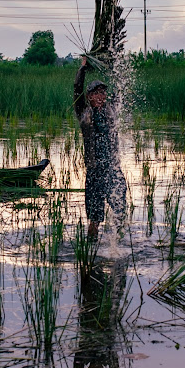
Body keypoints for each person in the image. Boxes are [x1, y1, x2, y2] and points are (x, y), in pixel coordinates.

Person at [74, 56, 127, 238]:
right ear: (89, 96)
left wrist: (111, 64)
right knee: (95, 218)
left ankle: (119, 248)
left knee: (120, 212)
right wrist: (82, 68)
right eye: (96, 93)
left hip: (113, 169)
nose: (100, 97)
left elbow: (120, 87)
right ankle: (91, 250)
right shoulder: (84, 112)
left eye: (103, 93)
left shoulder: (111, 109)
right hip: (95, 171)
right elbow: (76, 90)